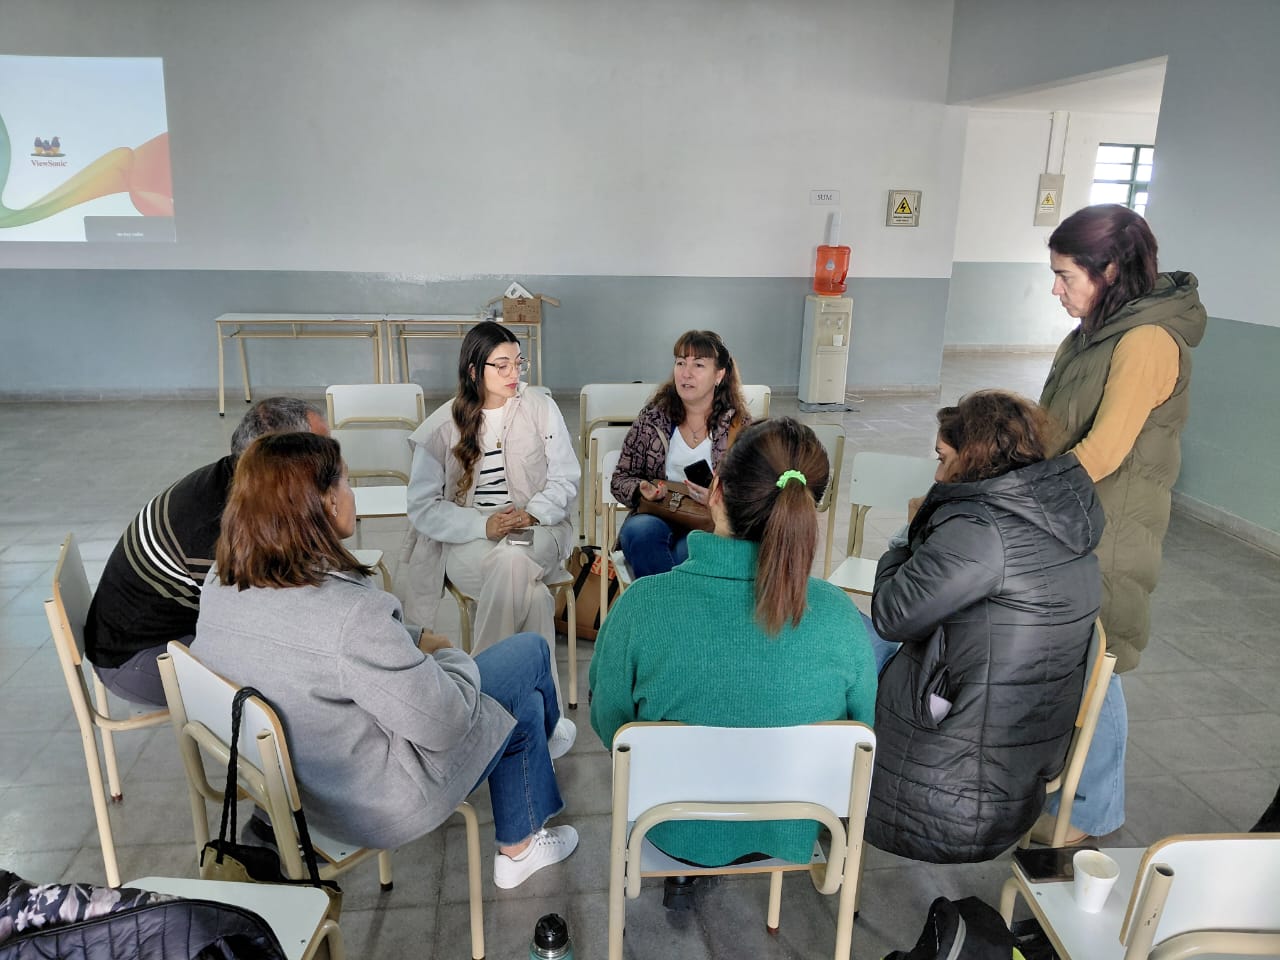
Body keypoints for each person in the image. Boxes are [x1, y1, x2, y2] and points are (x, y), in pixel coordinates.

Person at [195, 432, 578, 889]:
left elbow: (318, 645)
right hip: (370, 802)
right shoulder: (349, 613)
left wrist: (412, 640)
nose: (351, 493)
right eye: (346, 481)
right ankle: (545, 754)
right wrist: (448, 655)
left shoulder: (221, 582)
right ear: (326, 502)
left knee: (520, 706)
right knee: (530, 654)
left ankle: (521, 846)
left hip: (287, 784)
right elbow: (446, 722)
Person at [591, 417, 877, 871]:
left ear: (716, 492)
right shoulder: (840, 615)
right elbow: (861, 734)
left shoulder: (642, 606)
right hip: (793, 829)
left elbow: (610, 723)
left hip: (669, 828)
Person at [864, 390, 1104, 863]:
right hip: (1019, 760)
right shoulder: (1056, 512)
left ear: (971, 456)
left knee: (836, 639)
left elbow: (891, 614)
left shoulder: (982, 529)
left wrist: (906, 535)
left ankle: (811, 789)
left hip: (953, 785)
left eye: (942, 458)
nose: (937, 475)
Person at [1035, 203, 1207, 843]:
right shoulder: (1090, 334)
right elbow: (1050, 427)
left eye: (1064, 275)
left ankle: (1089, 813)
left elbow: (1103, 452)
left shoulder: (1146, 341)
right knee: (1074, 659)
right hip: (1069, 518)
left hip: (1111, 528)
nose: (1056, 289)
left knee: (1098, 664)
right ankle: (1064, 792)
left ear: (1108, 270)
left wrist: (1019, 493)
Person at [84, 397, 327, 707]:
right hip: (137, 660)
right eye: (322, 452)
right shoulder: (216, 531)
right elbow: (262, 621)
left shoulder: (238, 481)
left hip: (173, 630)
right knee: (290, 676)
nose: (332, 464)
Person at [404, 321, 578, 704]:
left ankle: (480, 695)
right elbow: (422, 507)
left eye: (518, 362)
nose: (514, 373)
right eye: (502, 365)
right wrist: (484, 524)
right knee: (535, 598)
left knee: (513, 557)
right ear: (474, 370)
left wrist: (533, 513)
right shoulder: (441, 426)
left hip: (538, 529)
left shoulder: (541, 408)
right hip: (472, 538)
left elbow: (566, 478)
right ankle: (547, 718)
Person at [611, 330, 751, 578]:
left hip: (709, 519)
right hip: (658, 511)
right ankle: (674, 598)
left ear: (719, 374)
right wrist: (642, 488)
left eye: (698, 365)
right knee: (639, 534)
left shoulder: (739, 426)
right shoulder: (652, 419)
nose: (686, 373)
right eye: (680, 363)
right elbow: (621, 478)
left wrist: (716, 499)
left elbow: (752, 494)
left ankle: (662, 600)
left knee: (689, 550)